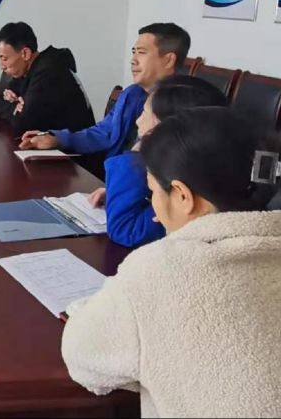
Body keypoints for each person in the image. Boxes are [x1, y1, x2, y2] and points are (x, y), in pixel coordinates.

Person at [62, 107, 281, 417]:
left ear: (182, 196)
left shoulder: (157, 272)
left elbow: (83, 359)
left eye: (152, 191)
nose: (153, 207)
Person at [19, 23, 191, 164]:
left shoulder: (181, 107)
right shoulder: (132, 94)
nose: (133, 60)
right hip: (111, 177)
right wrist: (58, 139)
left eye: (141, 53)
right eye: (133, 52)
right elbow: (104, 132)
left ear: (168, 60)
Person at [88, 75, 226, 247]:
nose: (138, 120)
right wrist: (120, 192)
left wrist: (136, 153)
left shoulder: (184, 193)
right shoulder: (196, 166)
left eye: (144, 113)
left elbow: (125, 230)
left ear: (164, 127)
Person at [0, 22, 95, 134]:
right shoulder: (26, 70)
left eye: (4, 59)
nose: (1, 66)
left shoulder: (48, 71)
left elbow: (22, 123)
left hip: (74, 143)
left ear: (25, 54)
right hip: (51, 139)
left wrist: (16, 107)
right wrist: (15, 106)